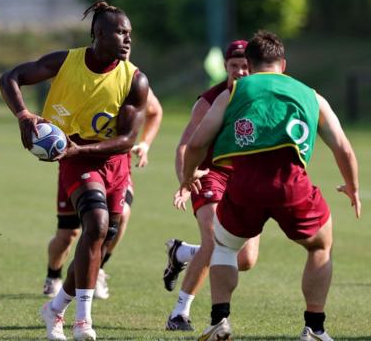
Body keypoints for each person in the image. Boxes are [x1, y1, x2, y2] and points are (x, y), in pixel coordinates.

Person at [177, 30, 360, 341]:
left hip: (244, 183)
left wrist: (188, 175)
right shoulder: (310, 94)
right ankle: (314, 327)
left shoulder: (232, 92)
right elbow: (342, 146)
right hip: (291, 184)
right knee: (319, 245)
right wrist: (352, 187)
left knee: (223, 246)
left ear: (248, 63)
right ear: (283, 64)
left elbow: (196, 143)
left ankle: (219, 320)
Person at [0, 0, 149, 341]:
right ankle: (83, 321)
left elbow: (126, 140)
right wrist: (23, 115)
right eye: (120, 32)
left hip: (110, 159)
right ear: (98, 33)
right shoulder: (65, 61)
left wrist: (80, 149)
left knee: (102, 237)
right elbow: (11, 77)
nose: (128, 39)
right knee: (95, 226)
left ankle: (56, 307)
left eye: (130, 33)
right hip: (76, 159)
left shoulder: (135, 80)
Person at [164, 40, 260, 331]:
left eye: (246, 66)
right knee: (216, 241)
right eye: (234, 66)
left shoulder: (260, 96)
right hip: (209, 174)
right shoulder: (209, 100)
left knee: (245, 259)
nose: (241, 72)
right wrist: (185, 179)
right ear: (226, 67)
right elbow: (184, 145)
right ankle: (179, 313)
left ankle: (181, 253)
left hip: (245, 178)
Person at [43, 87, 162, 300]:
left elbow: (155, 111)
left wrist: (144, 144)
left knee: (121, 215)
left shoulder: (132, 79)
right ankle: (53, 275)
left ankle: (97, 269)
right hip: (78, 163)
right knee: (67, 235)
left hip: (117, 162)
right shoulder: (86, 78)